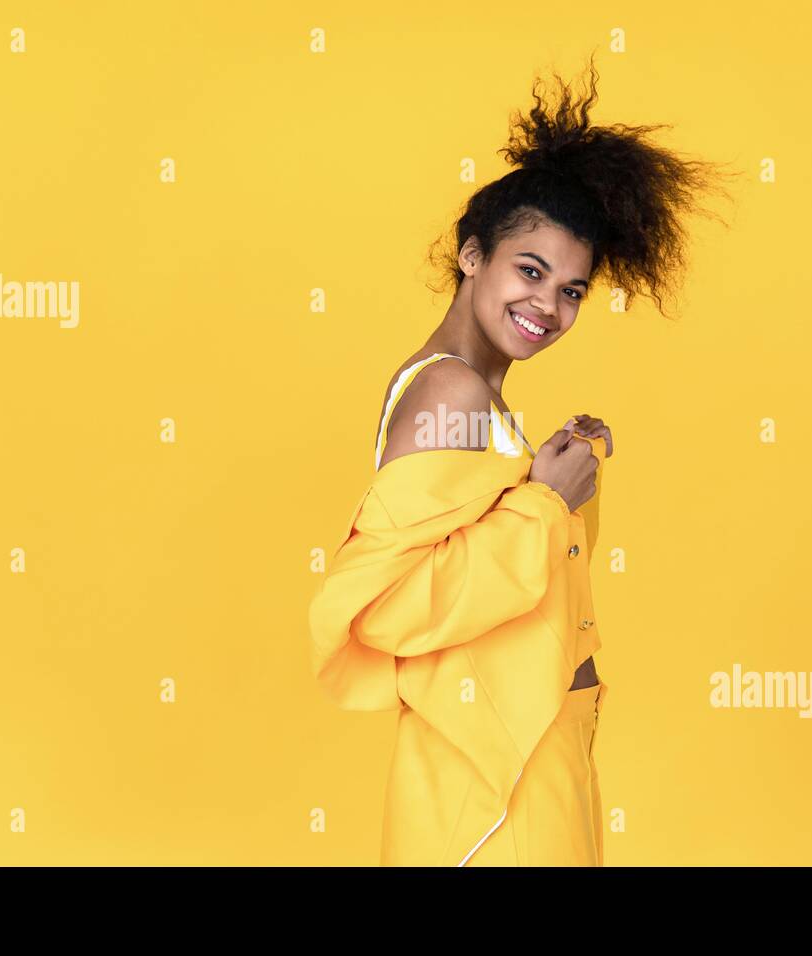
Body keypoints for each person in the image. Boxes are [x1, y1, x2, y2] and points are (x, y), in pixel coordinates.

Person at [308, 52, 734, 866]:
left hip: (529, 763)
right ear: (472, 256)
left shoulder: (476, 399)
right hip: (492, 796)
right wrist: (543, 499)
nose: (548, 304)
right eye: (529, 271)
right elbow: (385, 609)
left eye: (572, 290)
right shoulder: (452, 395)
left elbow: (495, 575)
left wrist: (548, 477)